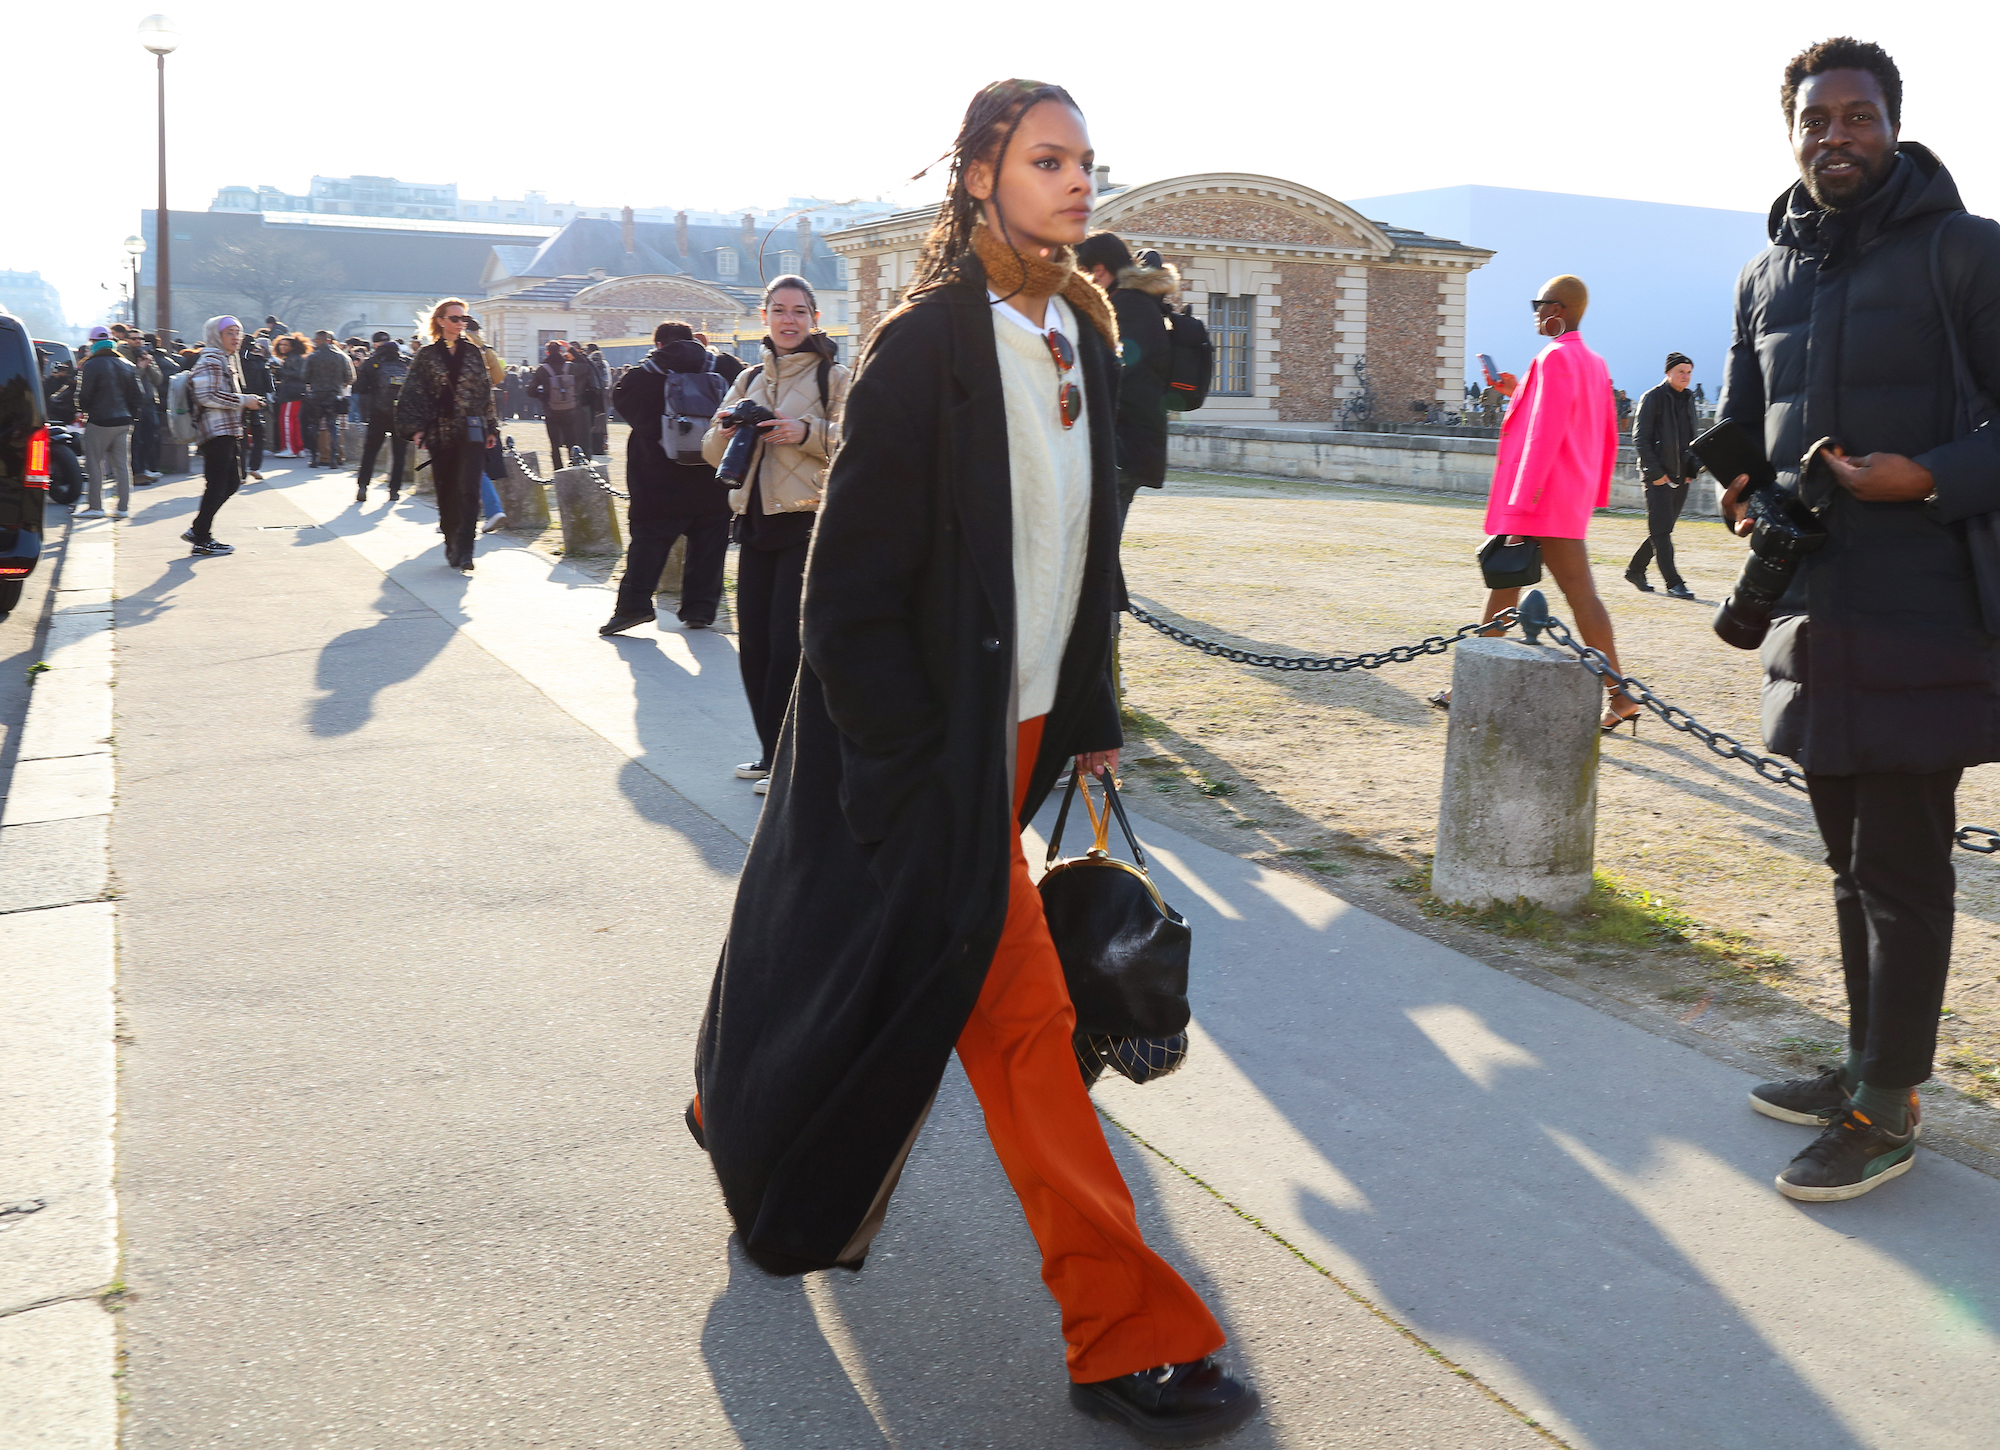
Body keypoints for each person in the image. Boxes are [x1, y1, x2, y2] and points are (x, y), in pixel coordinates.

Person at [689, 80, 1258, 1446]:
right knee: (1020, 1026)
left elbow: (1086, 555)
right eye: (1048, 159)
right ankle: (1128, 1329)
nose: (1077, 182)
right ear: (980, 173)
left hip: (1020, 731)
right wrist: (901, 776)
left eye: (1085, 162)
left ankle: (733, 1095)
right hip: (923, 745)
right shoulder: (926, 342)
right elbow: (847, 594)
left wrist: (1094, 712)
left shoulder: (1080, 322)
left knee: (828, 931)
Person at [1720, 38, 2000, 1202]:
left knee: (1898, 867)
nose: (1834, 135)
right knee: (1843, 862)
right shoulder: (1762, 272)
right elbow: (1747, 421)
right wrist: (1736, 485)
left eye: (1856, 116)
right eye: (1813, 119)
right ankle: (1858, 1064)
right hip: (1811, 607)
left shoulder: (1964, 253)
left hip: (1924, 608)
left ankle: (1885, 1107)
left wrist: (1926, 475)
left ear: (1892, 125)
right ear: (1790, 132)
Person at [1435, 275, 1634, 730]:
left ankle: (1620, 695)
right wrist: (1516, 389)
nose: (1535, 313)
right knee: (1506, 586)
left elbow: (1544, 435)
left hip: (1543, 495)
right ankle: (1469, 683)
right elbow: (1603, 429)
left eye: (1538, 304)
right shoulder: (1591, 361)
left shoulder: (1554, 356)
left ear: (1557, 310)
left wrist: (1523, 500)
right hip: (1567, 492)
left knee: (1580, 595)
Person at [700, 274, 850, 794]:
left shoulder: (835, 376)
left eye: (800, 311)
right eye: (779, 310)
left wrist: (802, 432)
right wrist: (723, 431)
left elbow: (857, 442)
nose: (789, 320)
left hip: (807, 523)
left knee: (790, 647)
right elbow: (710, 454)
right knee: (756, 647)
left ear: (814, 318)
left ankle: (794, 764)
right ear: (764, 316)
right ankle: (770, 754)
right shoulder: (746, 379)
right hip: (754, 523)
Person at [599, 322, 733, 636]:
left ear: (658, 344)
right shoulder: (724, 366)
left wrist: (658, 432)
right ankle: (700, 609)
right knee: (710, 545)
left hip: (657, 478)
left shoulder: (643, 375)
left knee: (647, 544)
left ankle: (635, 607)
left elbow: (621, 400)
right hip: (712, 476)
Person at [1075, 230, 1177, 528]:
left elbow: (1113, 371)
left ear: (1098, 270)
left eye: (1082, 273)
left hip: (1122, 448)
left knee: (1098, 547)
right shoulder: (1134, 304)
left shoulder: (1127, 307)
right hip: (1127, 445)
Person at [396, 298, 499, 572]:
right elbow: (414, 393)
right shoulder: (427, 355)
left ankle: (466, 548)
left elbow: (485, 392)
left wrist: (491, 427)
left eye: (463, 318)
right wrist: (417, 428)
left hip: (472, 430)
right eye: (455, 318)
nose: (460, 323)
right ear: (441, 320)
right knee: (446, 489)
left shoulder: (474, 352)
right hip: (440, 431)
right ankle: (451, 538)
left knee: (469, 488)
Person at [183, 315, 264, 556]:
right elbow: (207, 396)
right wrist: (244, 401)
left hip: (227, 430)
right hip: (216, 431)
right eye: (230, 332)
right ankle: (201, 537)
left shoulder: (225, 358)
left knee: (231, 482)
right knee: (218, 485)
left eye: (238, 332)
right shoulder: (211, 359)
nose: (236, 337)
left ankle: (198, 529)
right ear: (216, 335)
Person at [1624, 353, 1700, 599]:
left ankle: (1635, 570)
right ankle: (1673, 582)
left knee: (1662, 529)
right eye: (1681, 372)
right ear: (1668, 372)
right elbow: (1640, 439)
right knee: (1661, 531)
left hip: (1681, 476)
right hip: (1657, 476)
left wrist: (1691, 470)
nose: (1685, 377)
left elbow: (1692, 438)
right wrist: (1655, 474)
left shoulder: (1689, 399)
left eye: (1689, 372)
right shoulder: (1652, 397)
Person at [74, 330, 143, 518]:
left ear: (93, 342)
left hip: (99, 421)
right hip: (123, 421)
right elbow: (138, 395)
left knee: (94, 464)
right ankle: (123, 508)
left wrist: (84, 410)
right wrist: (131, 416)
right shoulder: (127, 364)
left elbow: (84, 394)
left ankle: (96, 506)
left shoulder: (92, 364)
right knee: (122, 465)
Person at [352, 332, 411, 501]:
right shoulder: (406, 363)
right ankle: (394, 490)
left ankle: (363, 486)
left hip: (378, 413)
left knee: (370, 451)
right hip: (400, 414)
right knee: (399, 453)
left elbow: (360, 388)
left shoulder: (371, 363)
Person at [530, 341, 589, 464]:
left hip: (551, 410)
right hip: (569, 409)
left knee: (554, 444)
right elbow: (585, 365)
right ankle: (574, 465)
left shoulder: (542, 369)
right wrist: (571, 349)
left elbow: (530, 391)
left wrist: (543, 397)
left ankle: (558, 468)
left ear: (547, 352)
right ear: (561, 352)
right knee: (571, 440)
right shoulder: (569, 367)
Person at [303, 328, 355, 467]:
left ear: (318, 340)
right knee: (333, 427)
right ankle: (334, 458)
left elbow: (304, 377)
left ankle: (314, 458)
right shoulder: (339, 356)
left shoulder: (313, 357)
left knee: (314, 426)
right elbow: (349, 377)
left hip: (316, 395)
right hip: (333, 394)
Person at [236, 335, 270, 481]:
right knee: (258, 435)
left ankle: (241, 472)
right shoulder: (259, 361)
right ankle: (255, 467)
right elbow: (270, 385)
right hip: (256, 402)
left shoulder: (232, 360)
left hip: (237, 402)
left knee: (240, 437)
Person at [270, 334, 309, 456]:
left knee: (286, 419)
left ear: (292, 347)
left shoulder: (294, 359)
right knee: (294, 420)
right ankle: (298, 447)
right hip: (295, 393)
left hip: (291, 393)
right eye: (281, 345)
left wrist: (279, 371)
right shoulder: (294, 358)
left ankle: (289, 448)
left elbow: (299, 375)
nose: (282, 347)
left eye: (285, 345)